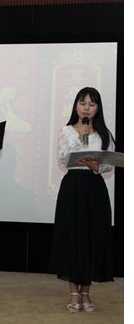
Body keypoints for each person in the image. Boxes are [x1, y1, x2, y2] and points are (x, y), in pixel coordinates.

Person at [50, 87, 114, 312]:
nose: (86, 108)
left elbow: (109, 163)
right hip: (73, 187)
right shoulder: (66, 131)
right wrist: (81, 139)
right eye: (82, 103)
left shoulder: (104, 133)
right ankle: (74, 293)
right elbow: (62, 159)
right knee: (73, 237)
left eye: (92, 104)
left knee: (91, 237)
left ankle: (86, 292)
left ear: (98, 109)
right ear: (76, 105)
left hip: (94, 188)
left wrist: (97, 166)